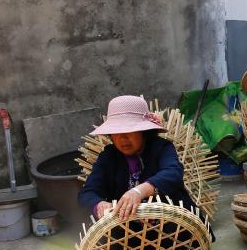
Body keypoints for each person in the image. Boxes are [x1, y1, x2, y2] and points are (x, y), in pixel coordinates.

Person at [78, 95, 201, 223]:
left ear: (143, 131)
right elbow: (87, 193)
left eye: (129, 130)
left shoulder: (161, 147)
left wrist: (139, 191)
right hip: (127, 229)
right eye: (116, 132)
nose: (122, 139)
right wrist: (99, 204)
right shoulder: (109, 156)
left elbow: (173, 173)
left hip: (172, 222)